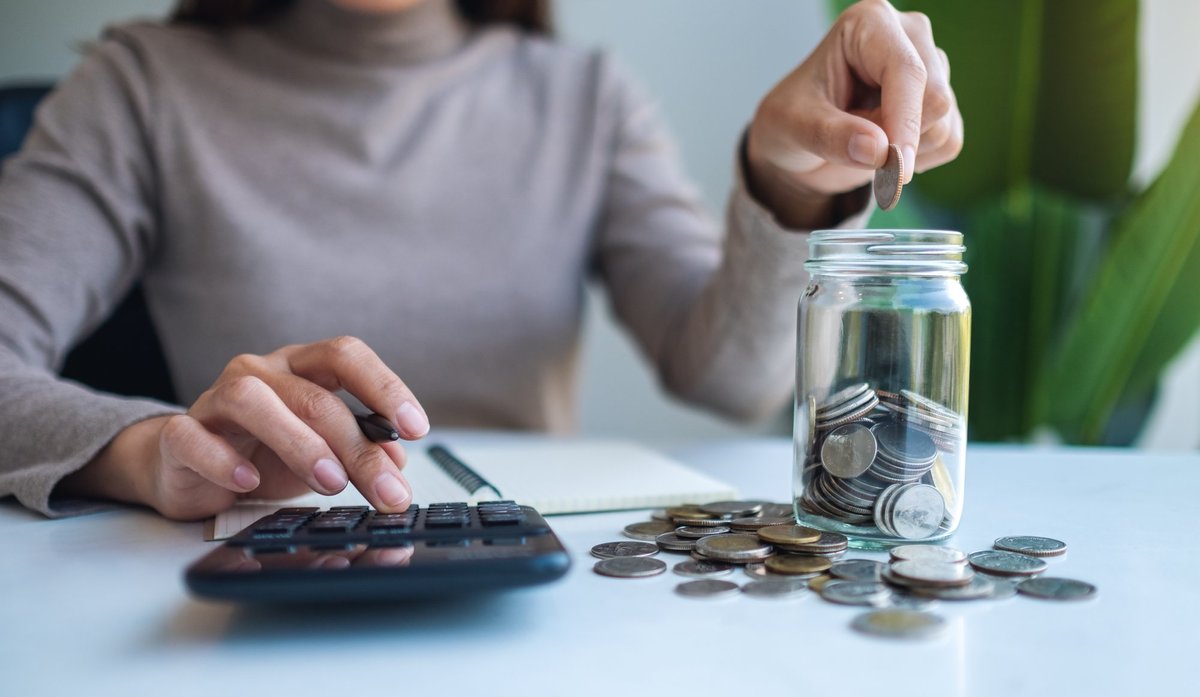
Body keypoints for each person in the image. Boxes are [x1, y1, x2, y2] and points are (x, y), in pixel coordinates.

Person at [0, 0, 962, 521]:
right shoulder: (137, 88)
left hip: (543, 597)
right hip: (256, 589)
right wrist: (156, 454)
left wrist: (787, 180)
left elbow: (730, 376)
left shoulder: (584, 98)